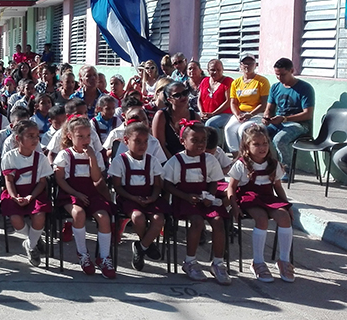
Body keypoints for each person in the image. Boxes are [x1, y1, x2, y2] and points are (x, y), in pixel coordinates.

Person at [162, 121, 230, 285]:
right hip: (184, 199)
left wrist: (211, 196)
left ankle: (218, 263)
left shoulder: (210, 159)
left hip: (205, 198)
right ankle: (190, 261)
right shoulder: (176, 161)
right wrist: (185, 197)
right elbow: (167, 185)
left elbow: (215, 181)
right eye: (195, 140)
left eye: (203, 140)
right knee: (197, 222)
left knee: (218, 221)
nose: (200, 144)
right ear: (183, 141)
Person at [227, 124, 294, 283]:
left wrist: (286, 205)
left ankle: (283, 261)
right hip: (249, 197)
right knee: (261, 218)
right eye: (256, 144)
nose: (262, 147)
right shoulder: (242, 164)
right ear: (247, 146)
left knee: (284, 217)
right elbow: (231, 187)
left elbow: (278, 187)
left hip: (268, 197)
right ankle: (257, 262)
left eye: (264, 143)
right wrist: (234, 207)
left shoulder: (273, 164)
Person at [52, 116, 115, 279]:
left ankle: (104, 256)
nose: (85, 140)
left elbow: (96, 179)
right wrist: (76, 193)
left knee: (104, 217)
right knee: (78, 214)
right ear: (70, 136)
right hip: (70, 193)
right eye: (80, 136)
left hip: (91, 192)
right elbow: (59, 179)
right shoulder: (64, 155)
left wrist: (92, 158)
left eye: (88, 136)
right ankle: (83, 254)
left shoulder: (94, 154)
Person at [108, 122, 167, 272]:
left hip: (149, 197)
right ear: (126, 141)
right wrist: (133, 198)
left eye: (145, 141)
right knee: (138, 217)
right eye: (137, 141)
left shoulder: (152, 160)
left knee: (158, 219)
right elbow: (117, 186)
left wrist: (153, 197)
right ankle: (147, 244)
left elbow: (158, 185)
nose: (142, 145)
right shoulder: (120, 161)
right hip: (128, 198)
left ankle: (140, 247)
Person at [0, 120, 53, 267]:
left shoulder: (40, 158)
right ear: (18, 139)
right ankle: (33, 239)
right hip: (15, 193)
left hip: (34, 192)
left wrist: (31, 197)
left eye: (37, 136)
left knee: (40, 214)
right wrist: (15, 197)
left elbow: (42, 182)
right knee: (16, 219)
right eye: (30, 136)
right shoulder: (9, 157)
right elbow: (8, 181)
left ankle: (30, 245)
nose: (35, 139)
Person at [263, 58, 314, 179]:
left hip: (299, 125)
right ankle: (261, 166)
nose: (280, 78)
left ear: (292, 70)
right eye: (277, 75)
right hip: (277, 122)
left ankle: (286, 169)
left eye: (283, 75)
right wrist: (266, 117)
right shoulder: (275, 87)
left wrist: (285, 119)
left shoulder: (305, 88)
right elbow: (269, 108)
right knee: (256, 134)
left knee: (280, 139)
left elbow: (308, 114)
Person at [225, 53, 269, 154]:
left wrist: (251, 114)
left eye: (250, 63)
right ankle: (236, 155)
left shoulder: (262, 81)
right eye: (244, 63)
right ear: (240, 65)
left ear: (255, 65)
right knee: (229, 129)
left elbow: (264, 104)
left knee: (243, 130)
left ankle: (248, 155)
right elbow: (233, 102)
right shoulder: (236, 83)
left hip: (257, 114)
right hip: (241, 113)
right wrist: (237, 115)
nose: (247, 66)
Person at [152, 81, 198, 158]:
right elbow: (159, 145)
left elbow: (198, 142)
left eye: (185, 93)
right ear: (169, 99)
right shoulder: (161, 116)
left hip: (189, 158)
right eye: (177, 95)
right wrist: (175, 162)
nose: (183, 97)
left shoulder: (195, 116)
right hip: (166, 159)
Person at [198, 59, 233, 134]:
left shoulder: (228, 81)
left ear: (222, 70)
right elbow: (199, 99)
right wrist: (201, 112)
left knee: (210, 123)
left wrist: (213, 114)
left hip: (224, 114)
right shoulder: (204, 81)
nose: (215, 72)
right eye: (212, 70)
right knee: (192, 118)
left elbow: (228, 102)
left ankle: (214, 144)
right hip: (206, 113)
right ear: (208, 70)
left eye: (218, 70)